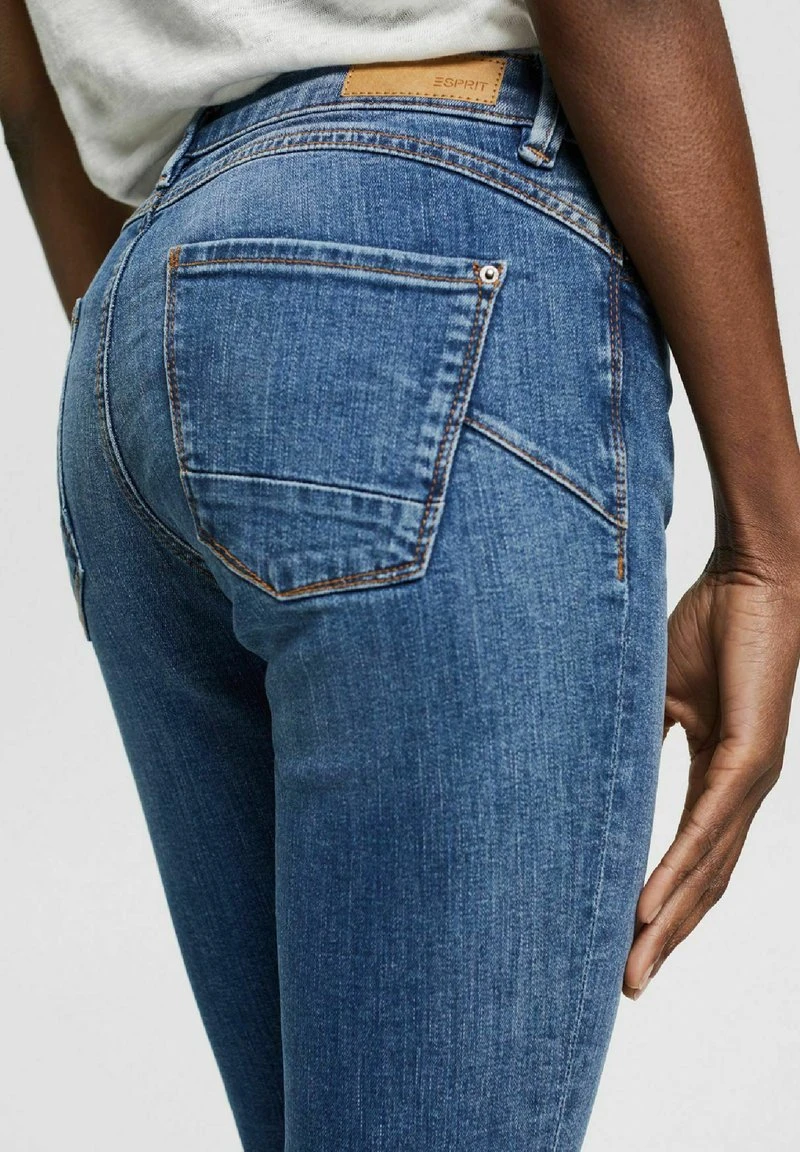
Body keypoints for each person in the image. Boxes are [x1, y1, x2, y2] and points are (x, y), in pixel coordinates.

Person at [3, 2, 798, 1148]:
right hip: (422, 243)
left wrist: (191, 347)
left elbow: (23, 79)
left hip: (135, 312)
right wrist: (767, 546)